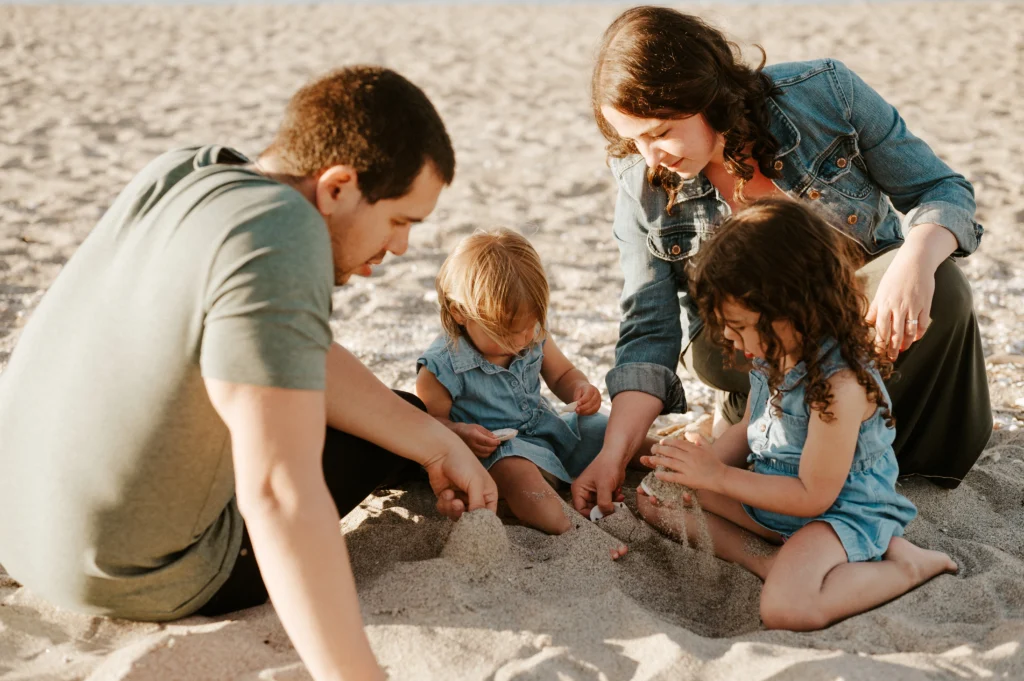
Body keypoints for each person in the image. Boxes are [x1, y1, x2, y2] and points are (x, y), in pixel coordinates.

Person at [0, 66, 497, 681]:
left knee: (402, 416)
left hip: (20, 534)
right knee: (379, 431)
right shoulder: (285, 232)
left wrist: (432, 437)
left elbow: (288, 349)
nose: (399, 247)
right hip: (137, 577)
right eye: (400, 220)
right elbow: (278, 495)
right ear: (338, 186)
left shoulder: (189, 172)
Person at [573, 6, 991, 518]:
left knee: (944, 287)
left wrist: (915, 260)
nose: (649, 154)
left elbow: (941, 188)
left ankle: (842, 452)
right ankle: (766, 431)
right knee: (727, 341)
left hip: (857, 315)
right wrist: (612, 457)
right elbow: (649, 330)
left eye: (659, 131)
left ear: (704, 94)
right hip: (739, 348)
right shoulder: (641, 177)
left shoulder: (825, 93)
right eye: (632, 138)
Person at [637, 199, 957, 630]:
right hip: (776, 500)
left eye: (739, 324)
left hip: (837, 514)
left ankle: (908, 567)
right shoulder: (773, 352)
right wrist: (705, 461)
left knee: (787, 610)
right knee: (656, 496)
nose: (730, 338)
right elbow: (749, 427)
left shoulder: (839, 385)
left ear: (792, 307)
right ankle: (769, 561)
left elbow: (813, 496)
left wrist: (718, 478)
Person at [416, 228, 612, 534]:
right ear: (460, 313)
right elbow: (427, 425)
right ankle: (573, 531)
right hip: (498, 455)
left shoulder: (530, 333)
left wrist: (581, 389)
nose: (523, 340)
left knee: (605, 428)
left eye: (530, 327)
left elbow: (561, 374)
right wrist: (460, 431)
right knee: (517, 473)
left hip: (547, 430)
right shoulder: (441, 366)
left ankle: (660, 458)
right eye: (508, 332)